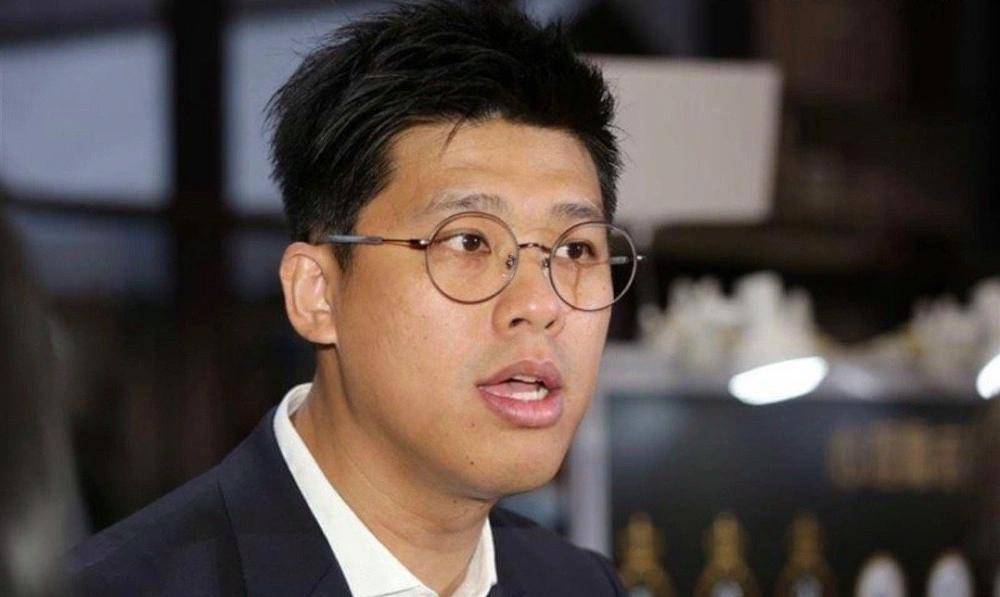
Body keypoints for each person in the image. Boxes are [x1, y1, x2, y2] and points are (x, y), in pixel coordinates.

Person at [69, 1, 641, 594]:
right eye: (469, 241)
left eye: (576, 249)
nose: (541, 303)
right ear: (316, 293)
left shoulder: (581, 585)